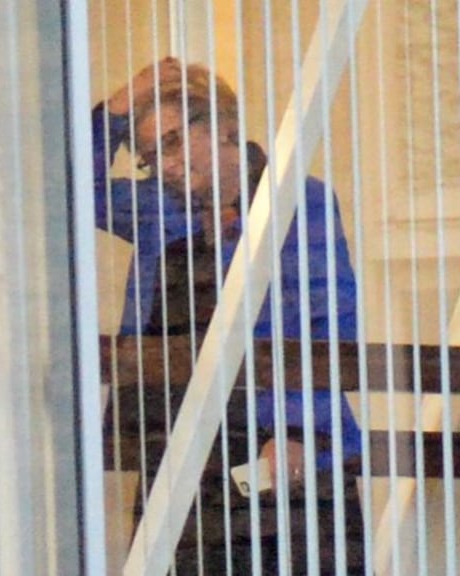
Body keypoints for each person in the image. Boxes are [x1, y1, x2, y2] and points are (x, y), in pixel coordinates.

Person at [93, 58, 364, 569]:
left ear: (224, 127)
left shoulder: (294, 202)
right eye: (152, 156)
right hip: (178, 449)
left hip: (278, 447)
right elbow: (63, 191)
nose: (166, 166)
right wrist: (121, 103)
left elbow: (331, 324)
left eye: (172, 142)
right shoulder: (159, 209)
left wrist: (299, 433)